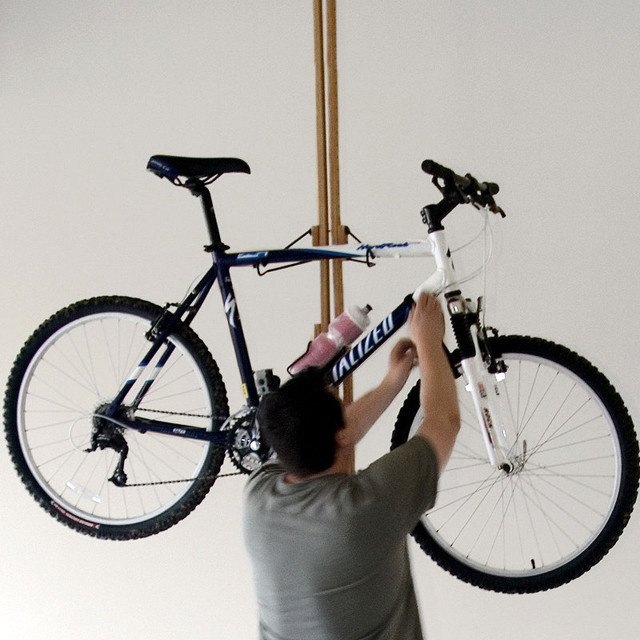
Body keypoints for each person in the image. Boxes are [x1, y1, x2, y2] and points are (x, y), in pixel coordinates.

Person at [243, 293, 460, 640]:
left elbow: (344, 430)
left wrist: (393, 381)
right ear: (339, 433)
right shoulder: (363, 509)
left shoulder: (259, 498)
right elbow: (443, 421)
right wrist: (429, 340)